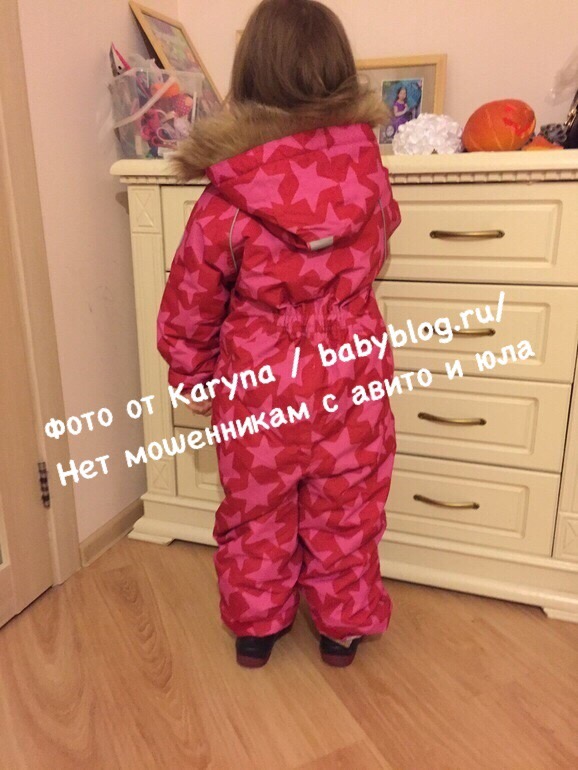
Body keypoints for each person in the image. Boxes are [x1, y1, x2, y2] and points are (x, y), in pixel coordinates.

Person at [157, 0, 402, 668]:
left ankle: (257, 628)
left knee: (256, 509)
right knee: (347, 507)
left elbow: (191, 298)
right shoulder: (370, 176)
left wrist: (192, 377)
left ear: (251, 75)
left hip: (261, 383)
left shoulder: (228, 195)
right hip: (351, 377)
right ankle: (342, 628)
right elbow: (384, 240)